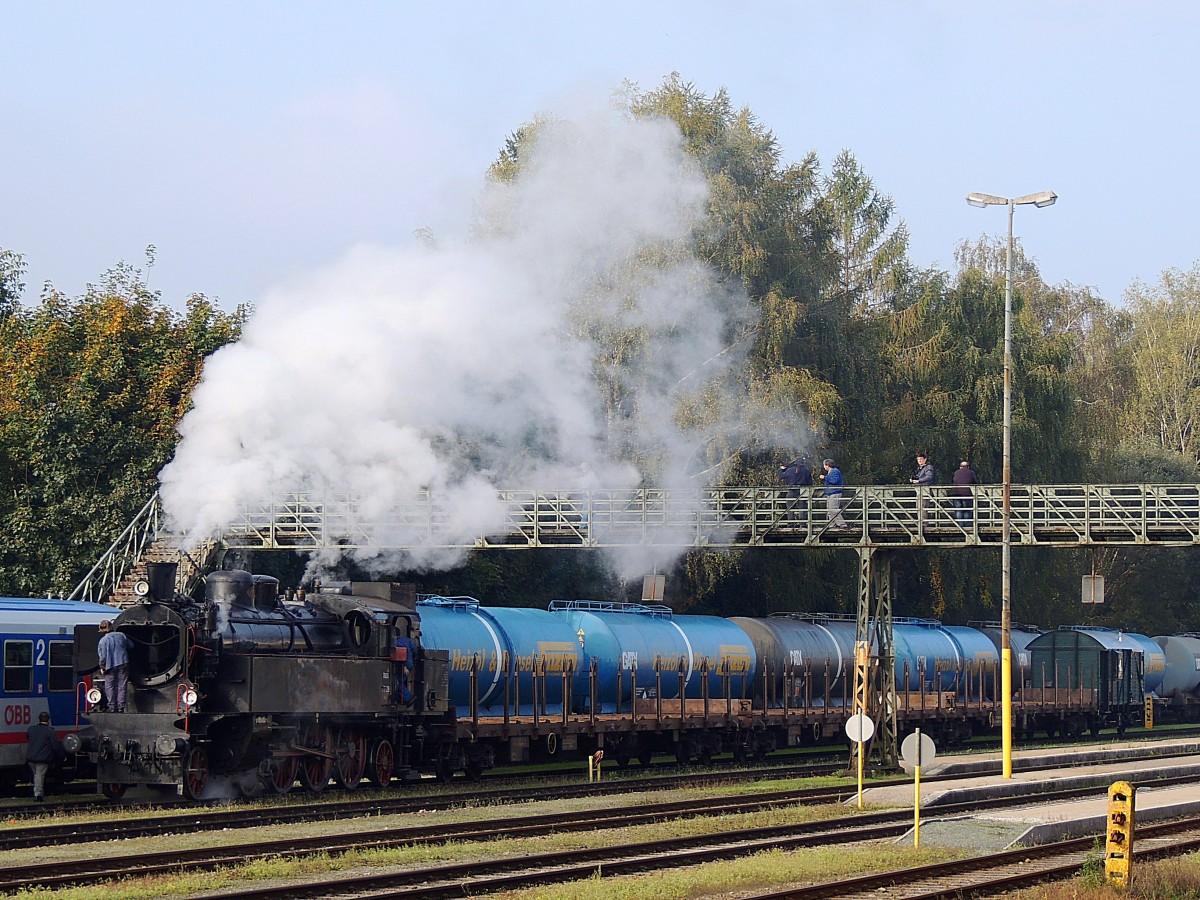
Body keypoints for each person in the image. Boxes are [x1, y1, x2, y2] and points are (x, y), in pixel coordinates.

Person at [26, 711, 65, 801]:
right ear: (48, 721)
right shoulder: (50, 731)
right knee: (39, 775)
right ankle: (38, 795)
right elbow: (55, 745)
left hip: (31, 758)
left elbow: (28, 737)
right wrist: (62, 756)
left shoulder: (31, 729)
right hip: (42, 758)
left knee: (36, 775)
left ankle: (37, 792)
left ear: (38, 719)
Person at [97, 620, 132, 712]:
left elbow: (103, 657)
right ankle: (121, 707)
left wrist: (102, 667)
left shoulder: (102, 641)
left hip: (110, 665)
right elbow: (131, 646)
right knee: (122, 685)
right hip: (123, 662)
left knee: (109, 686)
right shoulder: (121, 635)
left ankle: (112, 707)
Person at [778, 456, 813, 521]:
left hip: (792, 490)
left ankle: (790, 523)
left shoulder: (789, 470)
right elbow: (810, 482)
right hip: (803, 491)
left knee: (790, 508)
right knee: (802, 507)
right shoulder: (806, 471)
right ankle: (802, 523)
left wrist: (781, 469)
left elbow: (781, 476)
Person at [820, 458, 848, 528]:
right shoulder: (830, 472)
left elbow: (835, 481)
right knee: (830, 510)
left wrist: (825, 478)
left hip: (835, 492)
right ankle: (832, 524)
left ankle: (842, 524)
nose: (824, 467)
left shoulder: (835, 471)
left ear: (828, 465)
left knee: (834, 509)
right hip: (830, 493)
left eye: (824, 465)